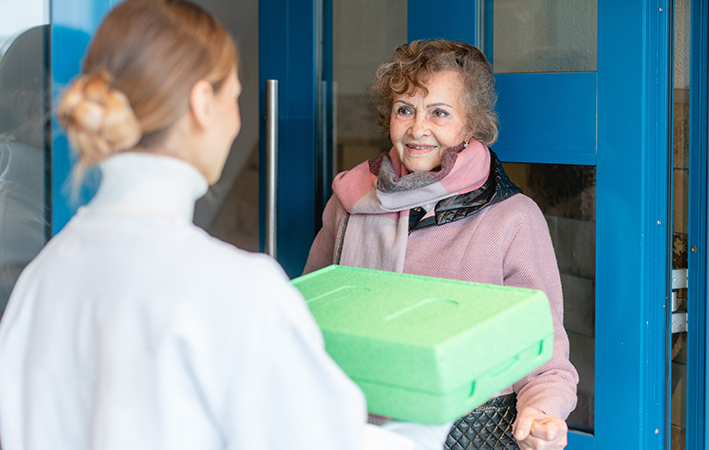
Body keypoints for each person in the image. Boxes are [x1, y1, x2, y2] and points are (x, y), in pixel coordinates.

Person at [0, 2, 445, 449]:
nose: (237, 122)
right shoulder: (234, 289)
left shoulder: (44, 277)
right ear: (201, 105)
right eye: (234, 96)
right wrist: (435, 408)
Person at [304, 39, 579, 450]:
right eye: (404, 110)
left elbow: (541, 347)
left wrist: (543, 411)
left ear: (471, 125)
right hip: (354, 427)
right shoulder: (349, 202)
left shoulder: (513, 217)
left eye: (439, 113)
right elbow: (312, 316)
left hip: (466, 433)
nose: (417, 129)